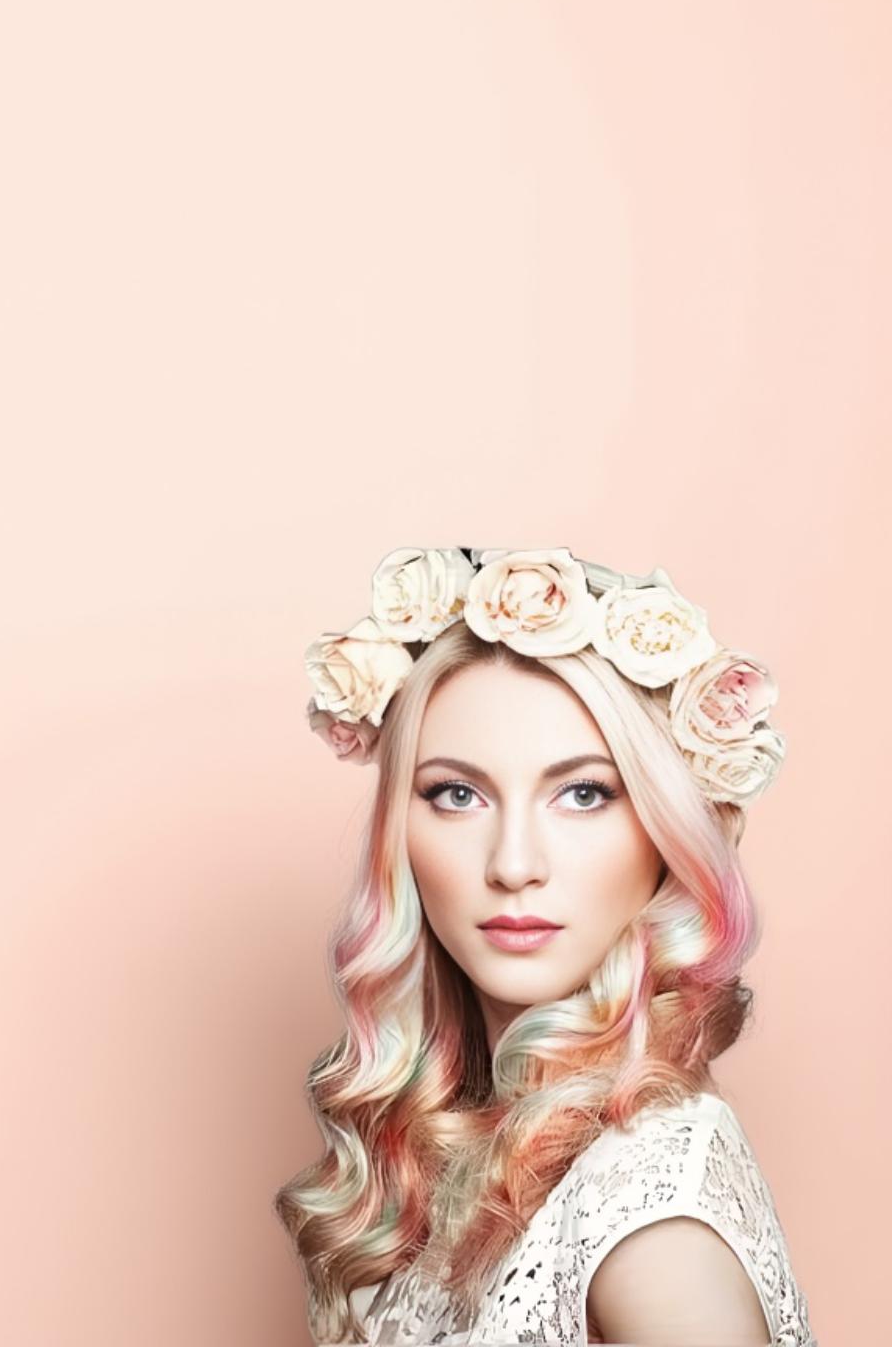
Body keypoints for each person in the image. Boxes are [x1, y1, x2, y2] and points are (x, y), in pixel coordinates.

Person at [273, 547, 815, 1346]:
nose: (514, 864)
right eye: (457, 794)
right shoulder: (464, 1150)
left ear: (665, 828)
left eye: (584, 793)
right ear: (399, 831)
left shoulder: (653, 1231)